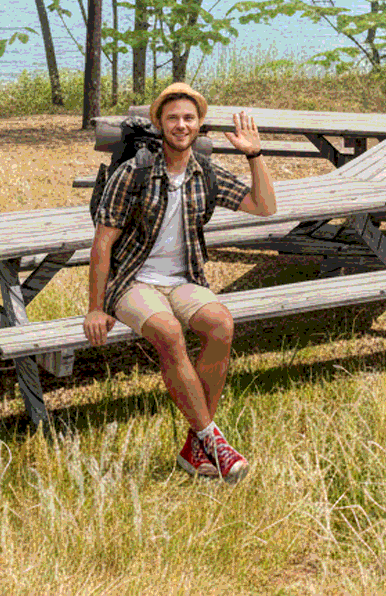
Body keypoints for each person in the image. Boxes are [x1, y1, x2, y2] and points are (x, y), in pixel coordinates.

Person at [84, 82, 276, 482]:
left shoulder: (204, 172)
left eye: (189, 118)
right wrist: (95, 308)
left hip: (184, 279)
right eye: (172, 118)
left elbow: (264, 207)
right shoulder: (134, 172)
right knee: (169, 331)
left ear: (199, 123)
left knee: (221, 324)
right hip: (133, 281)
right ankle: (214, 441)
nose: (181, 125)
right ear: (159, 123)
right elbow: (102, 243)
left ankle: (196, 446)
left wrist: (255, 155)